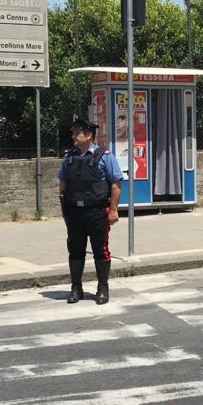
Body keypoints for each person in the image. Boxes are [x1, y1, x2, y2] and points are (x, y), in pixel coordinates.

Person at [59, 115, 123, 305]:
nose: (74, 136)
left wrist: (113, 210)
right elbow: (63, 184)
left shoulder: (105, 156)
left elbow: (116, 184)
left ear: (88, 135)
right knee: (75, 250)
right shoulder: (68, 157)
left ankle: (102, 289)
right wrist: (64, 211)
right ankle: (76, 288)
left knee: (100, 250)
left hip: (97, 212)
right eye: (74, 132)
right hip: (74, 212)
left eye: (77, 133)